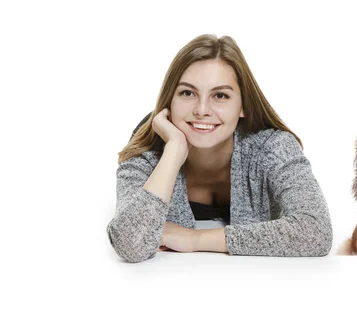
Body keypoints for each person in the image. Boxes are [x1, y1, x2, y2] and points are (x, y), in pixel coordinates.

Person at [107, 34, 332, 263]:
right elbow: (129, 245)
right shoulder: (147, 150)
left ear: (243, 106)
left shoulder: (272, 147)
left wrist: (196, 240)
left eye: (220, 95)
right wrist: (173, 152)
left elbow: (317, 230)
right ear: (169, 101)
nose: (202, 110)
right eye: (187, 93)